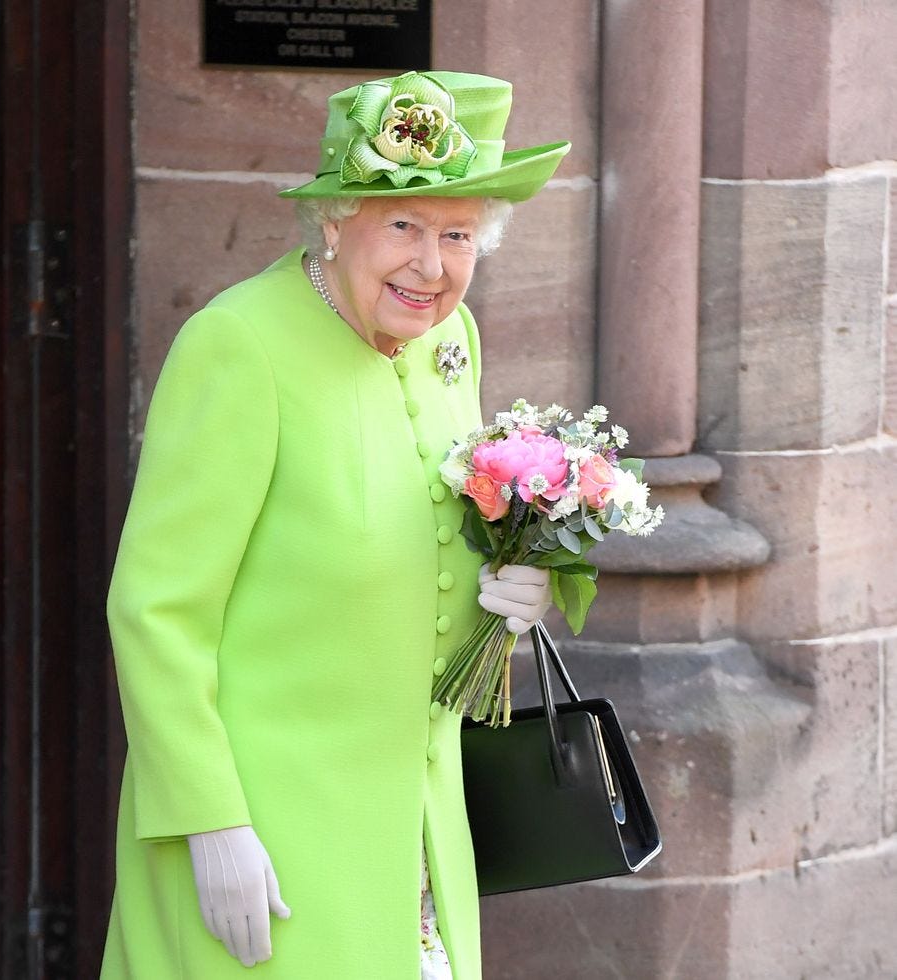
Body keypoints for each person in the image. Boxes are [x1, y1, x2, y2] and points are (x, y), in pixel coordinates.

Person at [100, 70, 570, 979]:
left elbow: (432, 553)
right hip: (263, 835)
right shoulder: (238, 345)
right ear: (334, 220)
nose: (429, 267)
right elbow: (155, 610)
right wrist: (211, 823)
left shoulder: (451, 338)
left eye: (458, 234)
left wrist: (514, 592)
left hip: (417, 834)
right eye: (402, 225)